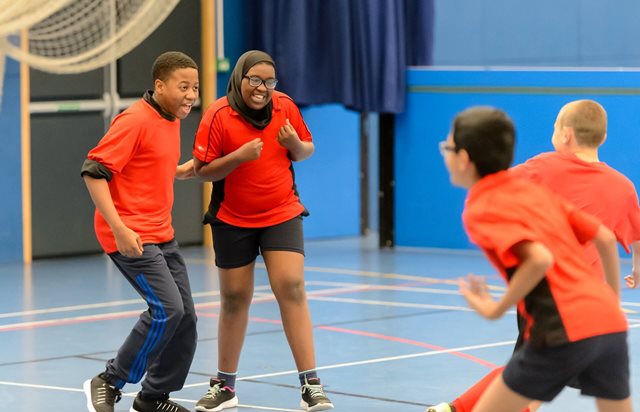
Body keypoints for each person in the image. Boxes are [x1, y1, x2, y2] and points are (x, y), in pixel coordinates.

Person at [427, 99, 640, 412]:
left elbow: (538, 258)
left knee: (525, 382)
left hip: (556, 308)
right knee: (535, 382)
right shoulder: (622, 186)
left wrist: (494, 308)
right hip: (605, 316)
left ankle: (455, 409)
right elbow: (610, 238)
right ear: (602, 137)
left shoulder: (535, 173)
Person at [191, 50, 333, 412]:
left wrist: (294, 145)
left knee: (292, 286)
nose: (262, 88)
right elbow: (204, 171)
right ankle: (224, 385)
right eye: (255, 79)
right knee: (235, 298)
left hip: (280, 212)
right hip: (232, 217)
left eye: (269, 81)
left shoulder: (285, 106)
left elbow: (305, 151)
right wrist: (238, 156)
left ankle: (311, 385)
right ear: (240, 78)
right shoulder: (218, 114)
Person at [80, 51, 199, 412]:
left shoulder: (171, 117)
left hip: (162, 232)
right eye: (183, 87)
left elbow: (145, 162)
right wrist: (119, 229)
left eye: (195, 87)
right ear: (159, 85)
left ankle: (152, 397)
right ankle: (109, 381)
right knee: (167, 308)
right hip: (131, 236)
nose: (191, 95)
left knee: (186, 318)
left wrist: (178, 171)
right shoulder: (134, 120)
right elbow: (93, 171)